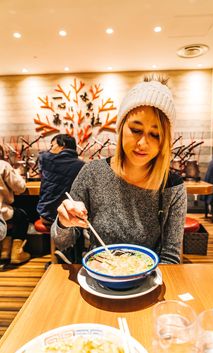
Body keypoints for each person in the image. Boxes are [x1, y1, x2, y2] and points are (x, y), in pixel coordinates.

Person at [51, 76, 187, 264]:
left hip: (149, 277)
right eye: (136, 129)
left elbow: (171, 257)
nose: (143, 143)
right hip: (98, 273)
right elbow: (62, 241)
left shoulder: (173, 186)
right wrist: (64, 223)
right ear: (121, 128)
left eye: (155, 135)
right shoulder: (93, 173)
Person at [37, 134, 85, 226]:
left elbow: (41, 172)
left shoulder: (45, 158)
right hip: (71, 218)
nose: (50, 149)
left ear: (62, 145)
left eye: (52, 145)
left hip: (46, 216)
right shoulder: (82, 165)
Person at [0, 145, 30, 264]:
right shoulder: (3, 165)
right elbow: (20, 187)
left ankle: (4, 251)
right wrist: (17, 173)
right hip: (1, 210)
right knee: (21, 216)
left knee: (11, 216)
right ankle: (16, 253)